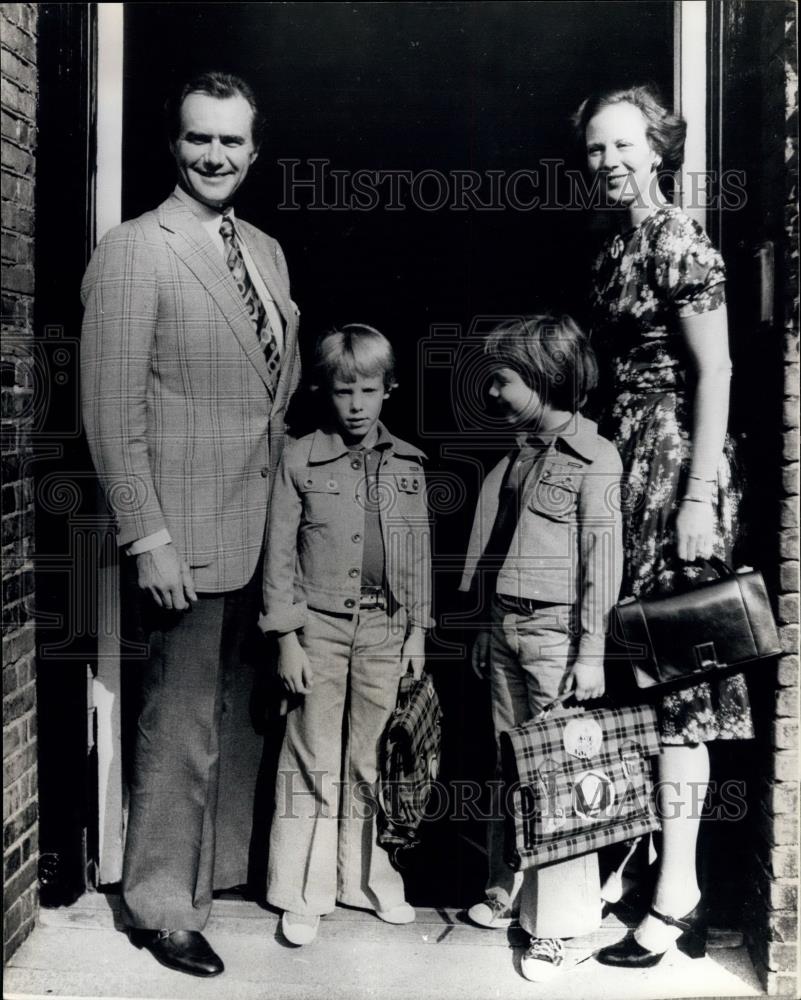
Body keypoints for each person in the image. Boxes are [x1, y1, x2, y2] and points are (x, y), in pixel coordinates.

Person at [80, 71, 301, 977]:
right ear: (175, 145)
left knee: (236, 719)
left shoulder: (266, 251)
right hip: (183, 533)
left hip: (258, 528)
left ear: (254, 150)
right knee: (179, 723)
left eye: (231, 141)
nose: (215, 155)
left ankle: (215, 883)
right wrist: (147, 535)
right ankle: (164, 904)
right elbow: (108, 408)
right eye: (198, 138)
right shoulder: (137, 249)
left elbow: (270, 401)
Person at [572, 84, 754, 968]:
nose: (608, 163)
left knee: (681, 681)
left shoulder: (679, 238)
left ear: (657, 148)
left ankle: (676, 897)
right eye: (596, 150)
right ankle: (657, 870)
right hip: (630, 460)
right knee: (645, 675)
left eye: (623, 147)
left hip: (677, 462)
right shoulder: (617, 243)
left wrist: (696, 495)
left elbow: (713, 371)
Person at [459, 315, 623, 982]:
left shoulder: (596, 458)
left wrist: (591, 651)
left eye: (502, 380)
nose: (492, 393)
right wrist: (482, 624)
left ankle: (559, 929)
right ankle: (511, 885)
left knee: (557, 780)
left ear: (545, 378)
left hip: (557, 640)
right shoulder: (519, 454)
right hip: (505, 630)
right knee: (509, 766)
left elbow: (601, 561)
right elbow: (499, 546)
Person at [260, 325, 432, 946]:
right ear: (322, 392)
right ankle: (300, 890)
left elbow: (418, 556)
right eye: (342, 391)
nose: (355, 405)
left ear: (389, 390)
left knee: (371, 758)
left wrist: (418, 632)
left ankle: (364, 881)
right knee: (310, 756)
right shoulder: (300, 458)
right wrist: (286, 638)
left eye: (367, 390)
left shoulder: (409, 462)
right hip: (320, 630)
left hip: (387, 630)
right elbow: (279, 556)